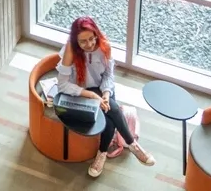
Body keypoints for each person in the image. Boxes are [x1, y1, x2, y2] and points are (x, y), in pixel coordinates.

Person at [56, 17, 153, 178]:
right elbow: (62, 85)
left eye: (91, 38)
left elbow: (108, 75)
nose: (89, 44)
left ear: (96, 34)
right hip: (81, 92)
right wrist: (92, 96)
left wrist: (106, 94)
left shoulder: (104, 46)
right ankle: (132, 144)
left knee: (109, 112)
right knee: (112, 111)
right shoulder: (70, 51)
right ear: (75, 41)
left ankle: (102, 153)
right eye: (83, 41)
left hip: (103, 89)